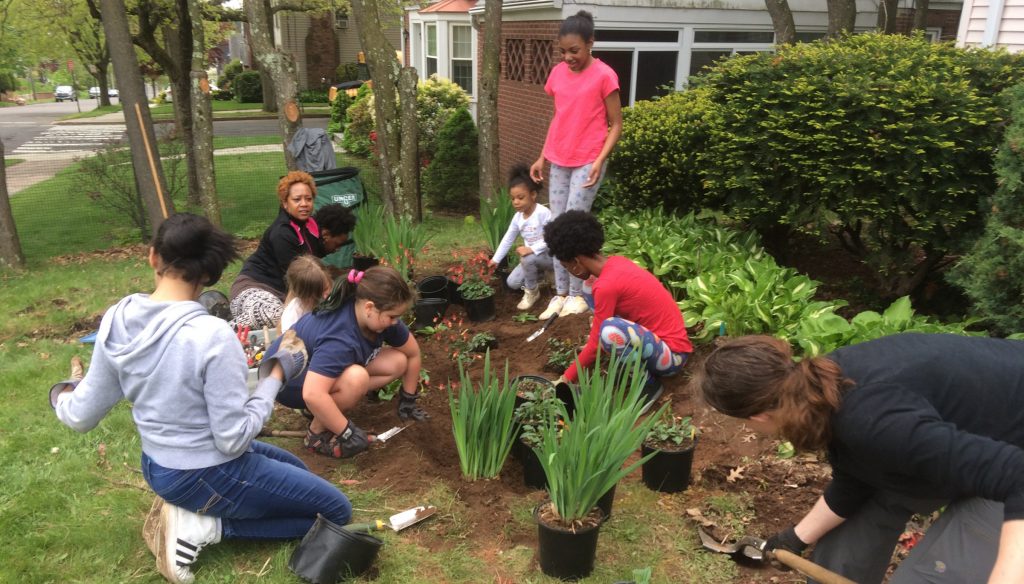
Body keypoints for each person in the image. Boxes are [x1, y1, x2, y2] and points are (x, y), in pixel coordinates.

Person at [49, 213, 352, 584]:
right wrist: (274, 375)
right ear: (210, 275)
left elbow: (80, 415)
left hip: (159, 465)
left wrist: (62, 393)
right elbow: (234, 437)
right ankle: (207, 527)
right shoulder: (211, 335)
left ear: (152, 257)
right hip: (205, 471)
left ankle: (195, 509)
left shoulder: (119, 316)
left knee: (299, 472)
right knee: (335, 510)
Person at [694, 333, 1024, 584]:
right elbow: (860, 476)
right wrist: (791, 540)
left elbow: (1016, 478)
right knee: (838, 557)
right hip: (979, 444)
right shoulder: (819, 388)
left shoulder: (871, 418)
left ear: (759, 416)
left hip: (1013, 465)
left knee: (930, 576)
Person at [269, 266, 428, 459]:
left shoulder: (374, 314)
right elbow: (312, 393)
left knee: (397, 361)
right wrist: (347, 432)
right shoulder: (339, 338)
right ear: (369, 307)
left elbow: (412, 354)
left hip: (315, 372)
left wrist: (408, 399)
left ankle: (327, 409)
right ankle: (316, 434)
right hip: (288, 381)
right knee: (356, 379)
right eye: (392, 317)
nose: (396, 322)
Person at [529, 10, 623, 320]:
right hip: (559, 157)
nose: (568, 57)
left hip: (588, 159)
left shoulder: (605, 75)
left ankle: (580, 293)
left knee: (573, 226)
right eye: (563, 51)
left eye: (575, 51)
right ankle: (560, 293)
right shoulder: (557, 74)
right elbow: (560, 117)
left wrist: (599, 161)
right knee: (556, 226)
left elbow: (616, 124)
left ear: (590, 43)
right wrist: (543, 155)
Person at [544, 211, 691, 408]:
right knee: (590, 288)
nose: (568, 271)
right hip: (657, 342)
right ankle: (619, 348)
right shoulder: (616, 263)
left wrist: (565, 379)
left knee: (609, 332)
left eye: (566, 266)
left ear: (577, 262)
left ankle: (648, 386)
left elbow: (597, 343)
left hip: (672, 357)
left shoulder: (607, 285)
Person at [229, 170, 356, 329]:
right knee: (278, 316)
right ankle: (226, 330)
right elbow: (299, 280)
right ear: (285, 203)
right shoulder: (282, 233)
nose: (304, 204)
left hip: (281, 295)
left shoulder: (310, 226)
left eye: (308, 199)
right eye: (297, 199)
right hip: (254, 289)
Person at [489, 164, 554, 311]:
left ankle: (532, 292)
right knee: (512, 283)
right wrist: (496, 259)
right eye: (513, 199)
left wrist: (531, 249)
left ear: (533, 195)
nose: (516, 202)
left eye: (520, 197)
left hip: (550, 257)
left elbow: (551, 237)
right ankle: (541, 278)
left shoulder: (543, 213)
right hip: (532, 258)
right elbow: (508, 238)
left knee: (527, 258)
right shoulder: (518, 218)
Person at [279, 255, 332, 332]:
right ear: (303, 296)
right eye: (317, 295)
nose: (325, 296)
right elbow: (289, 341)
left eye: (326, 288)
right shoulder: (293, 315)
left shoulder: (334, 296)